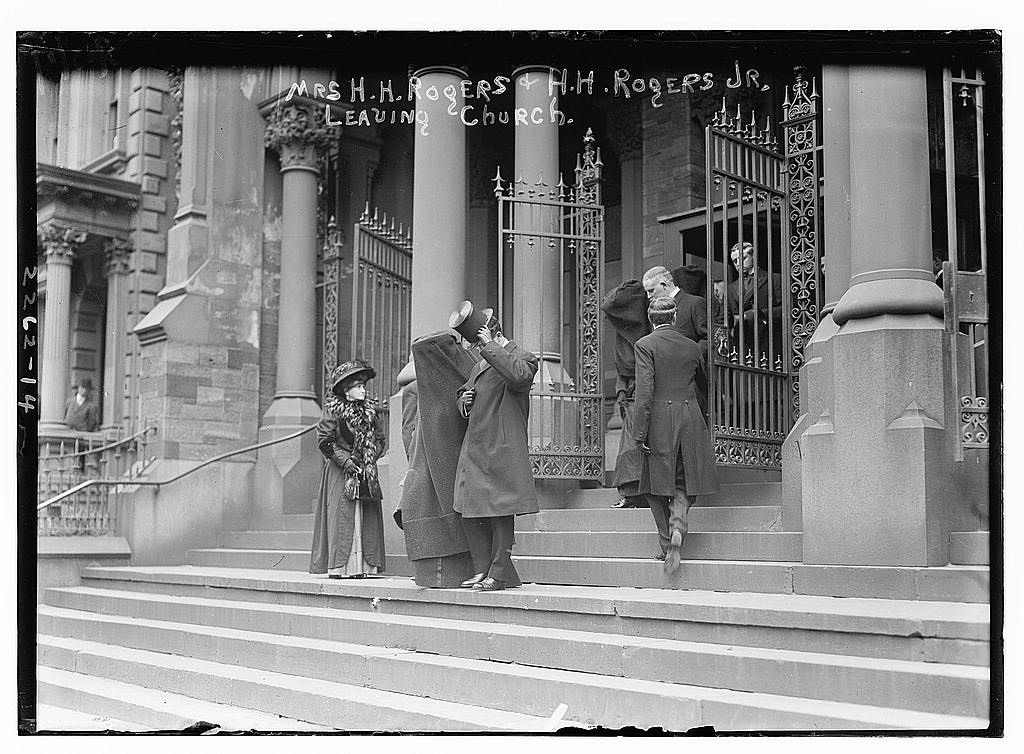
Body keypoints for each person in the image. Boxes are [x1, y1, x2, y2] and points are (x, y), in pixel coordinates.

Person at [452, 311, 539, 591]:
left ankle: (499, 573)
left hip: (501, 447)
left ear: (495, 335)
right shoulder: (481, 364)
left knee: (500, 511)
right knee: (468, 507)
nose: (478, 351)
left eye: (479, 344)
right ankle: (482, 568)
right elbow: (464, 392)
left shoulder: (524, 357)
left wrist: (491, 346)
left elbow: (518, 377)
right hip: (476, 447)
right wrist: (463, 401)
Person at [632, 296, 720, 575]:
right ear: (674, 317)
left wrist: (639, 433)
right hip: (689, 415)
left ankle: (666, 541)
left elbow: (644, 391)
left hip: (659, 419)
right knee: (685, 479)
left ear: (651, 319)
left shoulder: (645, 345)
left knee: (652, 486)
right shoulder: (692, 346)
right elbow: (704, 385)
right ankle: (678, 523)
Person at [399, 331, 479, 588]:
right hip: (426, 463)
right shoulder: (414, 389)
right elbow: (408, 430)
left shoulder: (461, 380)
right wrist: (417, 465)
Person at [309, 359, 387, 579]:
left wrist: (370, 457)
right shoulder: (333, 410)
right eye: (358, 386)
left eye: (363, 385)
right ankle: (342, 568)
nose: (363, 389)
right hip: (340, 471)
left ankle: (363, 567)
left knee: (365, 517)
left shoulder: (370, 412)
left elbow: (380, 439)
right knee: (342, 516)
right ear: (347, 390)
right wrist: (346, 461)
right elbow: (325, 441)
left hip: (365, 471)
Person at [600, 279, 650, 509]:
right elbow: (622, 366)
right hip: (630, 394)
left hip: (648, 392)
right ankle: (631, 492)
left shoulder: (647, 324)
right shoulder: (623, 334)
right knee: (630, 443)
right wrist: (620, 388)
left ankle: (642, 492)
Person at [726, 241, 783, 366]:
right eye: (734, 261)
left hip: (769, 344)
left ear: (754, 257)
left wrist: (753, 314)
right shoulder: (730, 288)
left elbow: (785, 311)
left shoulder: (775, 279)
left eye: (743, 258)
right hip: (742, 346)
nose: (738, 264)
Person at [642, 265, 708, 348]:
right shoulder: (654, 310)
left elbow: (708, 339)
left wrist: (690, 358)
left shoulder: (695, 303)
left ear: (664, 285)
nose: (649, 296)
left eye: (651, 291)